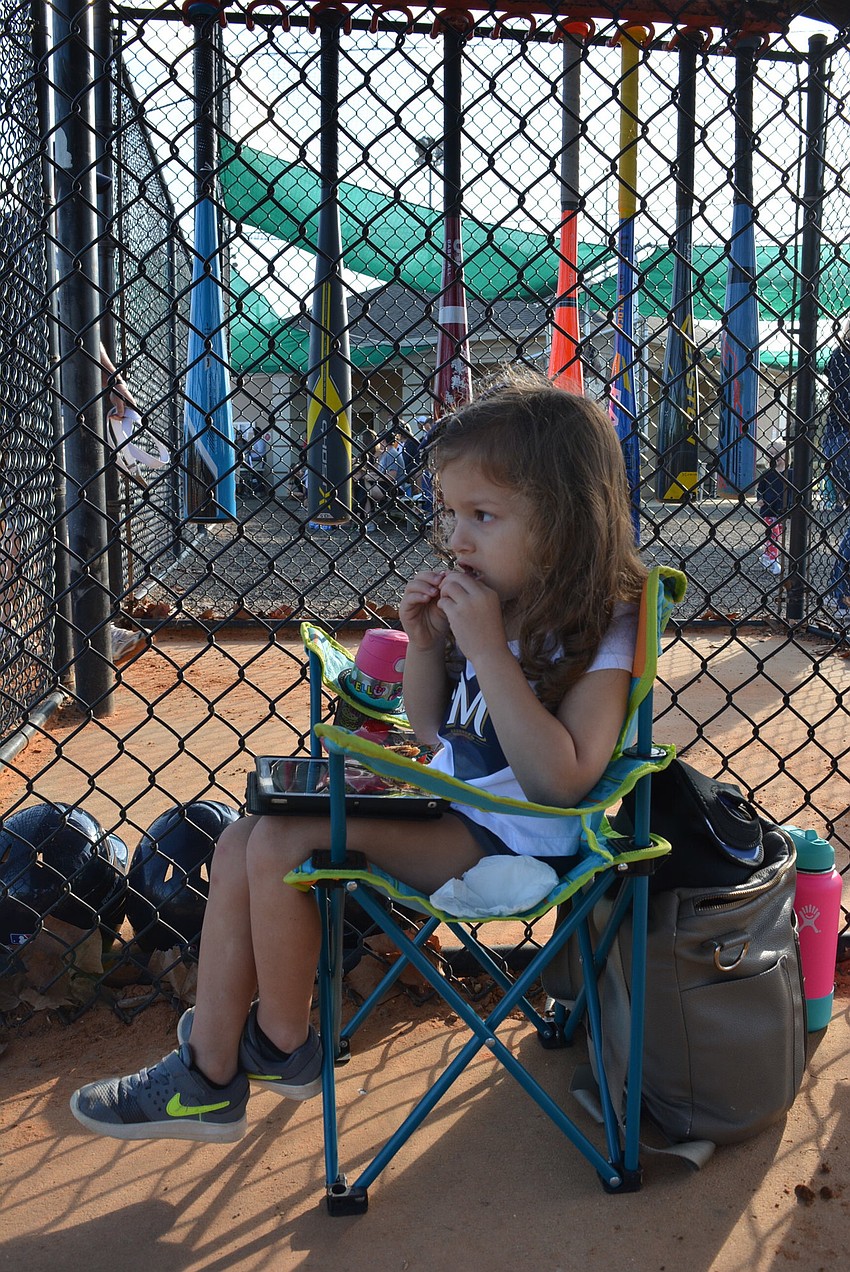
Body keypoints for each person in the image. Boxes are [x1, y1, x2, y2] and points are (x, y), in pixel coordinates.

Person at [69, 367, 647, 1144]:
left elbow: (560, 781)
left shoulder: (600, 622)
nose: (457, 538)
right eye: (448, 514)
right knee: (246, 835)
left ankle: (277, 1047)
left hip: (514, 837)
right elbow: (432, 728)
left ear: (568, 522)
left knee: (278, 837)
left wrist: (488, 649)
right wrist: (431, 647)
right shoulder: (493, 604)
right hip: (454, 810)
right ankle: (212, 1066)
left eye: (483, 514)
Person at [823, 320, 850, 616]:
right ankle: (841, 593)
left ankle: (839, 590)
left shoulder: (839, 355)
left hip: (837, 443)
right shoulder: (843, 357)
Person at [756, 439, 793, 577]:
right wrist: (760, 499)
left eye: (777, 453)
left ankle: (767, 555)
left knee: (778, 534)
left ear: (786, 456)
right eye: (769, 453)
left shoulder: (791, 473)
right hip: (768, 508)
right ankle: (772, 560)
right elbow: (760, 489)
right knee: (773, 533)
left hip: (783, 509)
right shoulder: (767, 473)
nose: (773, 456)